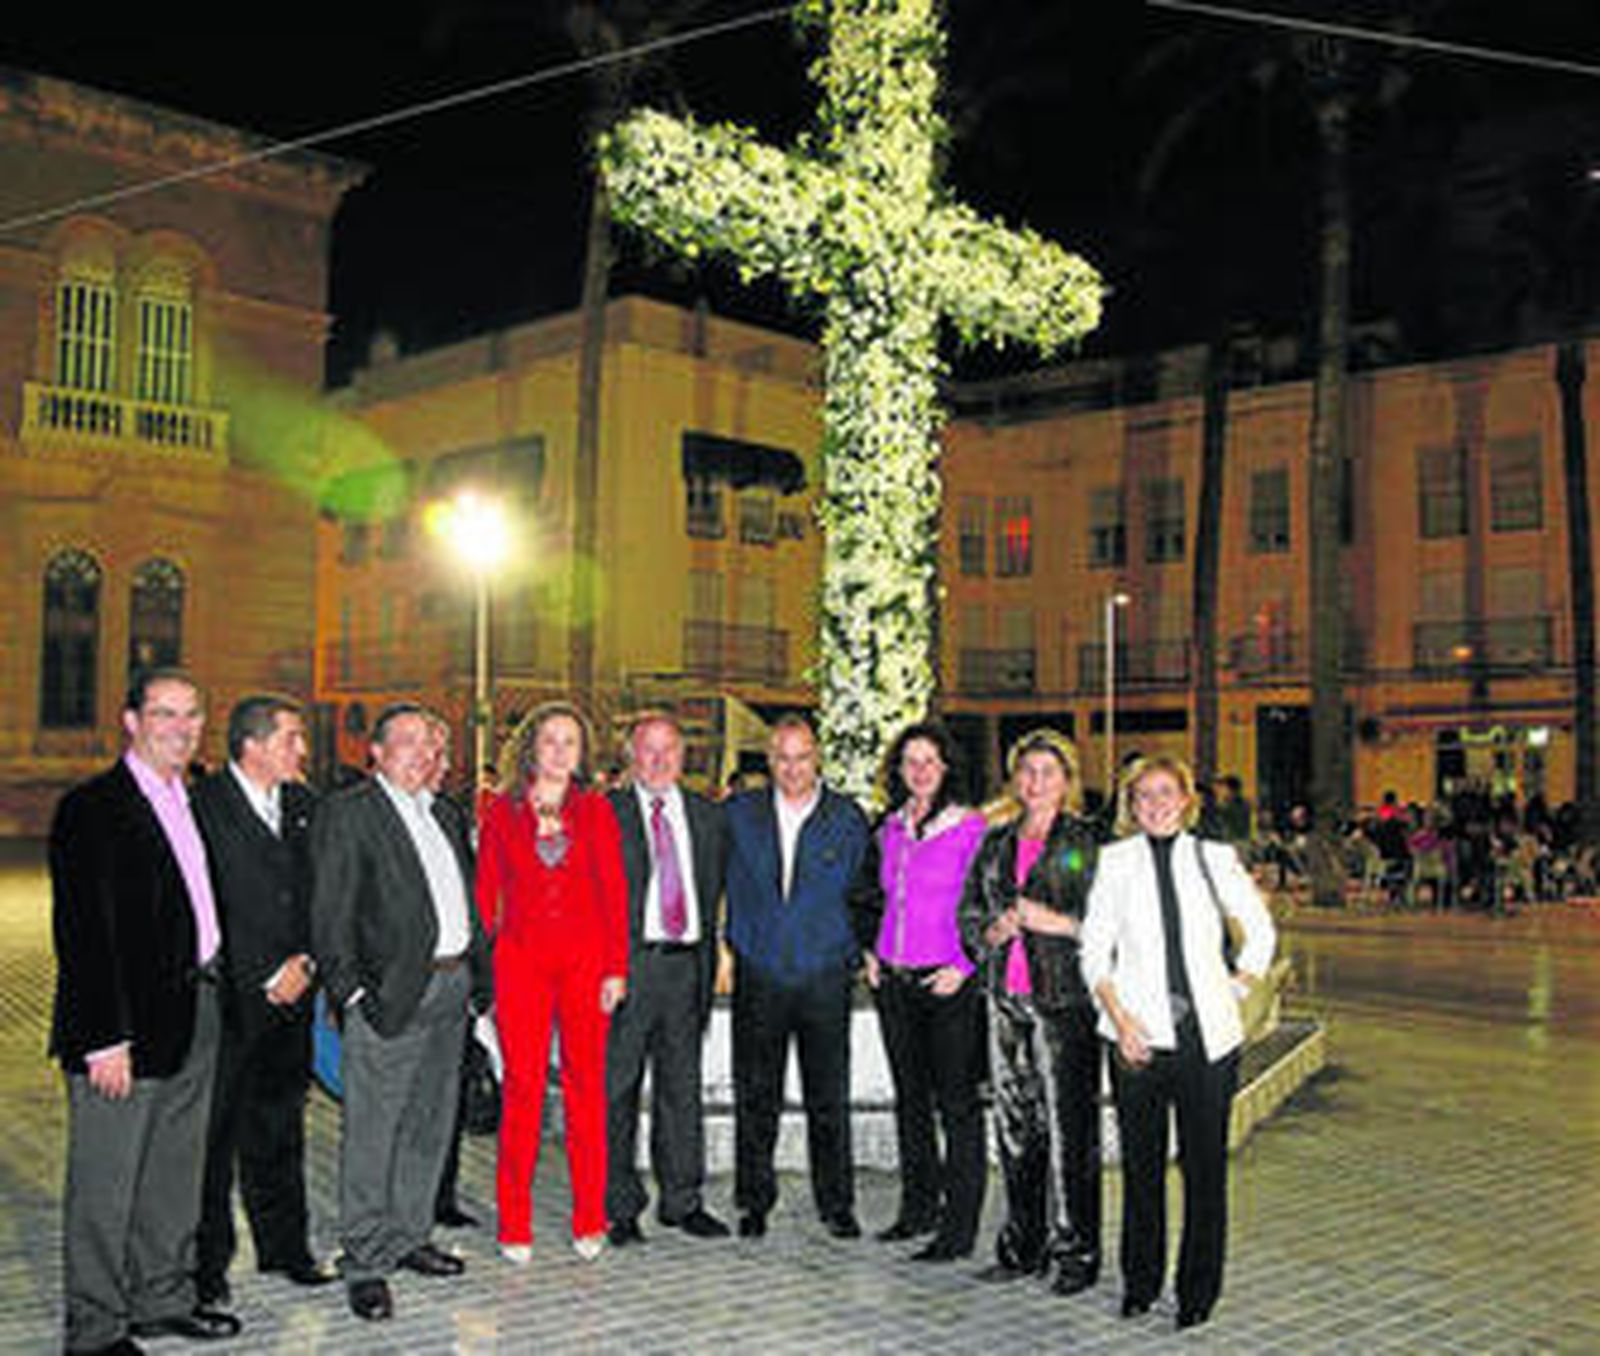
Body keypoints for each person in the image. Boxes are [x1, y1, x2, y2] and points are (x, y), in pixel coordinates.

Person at [49, 667, 243, 1352]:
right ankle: (96, 1328)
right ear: (131, 721)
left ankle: (160, 1296)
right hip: (122, 1029)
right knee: (107, 1183)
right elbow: (83, 935)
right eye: (164, 714)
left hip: (197, 1011)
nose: (181, 728)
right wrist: (104, 1037)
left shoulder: (188, 799)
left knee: (173, 1171)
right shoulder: (93, 807)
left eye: (192, 715)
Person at [1080, 754, 1277, 1332]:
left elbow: (1260, 928)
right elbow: (1094, 951)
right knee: (1141, 1169)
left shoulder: (1215, 858)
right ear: (1131, 806)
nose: (1157, 804)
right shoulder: (1113, 863)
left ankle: (1198, 1290)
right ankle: (1141, 1283)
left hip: (1206, 1040)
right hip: (1138, 1038)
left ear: (1187, 800)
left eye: (1167, 793)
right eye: (1144, 795)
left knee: (1204, 1169)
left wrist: (1237, 986)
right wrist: (1120, 1021)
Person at [311, 703, 493, 1323]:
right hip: (389, 998)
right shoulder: (351, 814)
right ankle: (365, 1261)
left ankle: (411, 1237)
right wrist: (352, 995)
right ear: (378, 754)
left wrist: (477, 984)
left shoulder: (443, 812)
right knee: (373, 1133)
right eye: (409, 743)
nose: (423, 755)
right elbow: (330, 915)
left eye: (432, 745)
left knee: (428, 1127)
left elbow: (466, 899)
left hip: (450, 990)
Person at [476, 701, 629, 1264]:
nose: (560, 752)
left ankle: (590, 1214)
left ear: (583, 752)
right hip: (520, 967)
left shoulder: (596, 810)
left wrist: (616, 967)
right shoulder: (501, 812)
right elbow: (485, 895)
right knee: (522, 1089)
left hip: (587, 968)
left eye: (571, 742)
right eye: (550, 741)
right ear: (531, 748)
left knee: (588, 1091)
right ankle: (514, 1219)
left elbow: (615, 893)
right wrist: (484, 972)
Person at [193, 695, 333, 1307]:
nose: (303, 750)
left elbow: (322, 895)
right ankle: (205, 1271)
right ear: (252, 745)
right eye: (291, 738)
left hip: (293, 997)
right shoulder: (204, 807)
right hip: (228, 1003)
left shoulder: (306, 806)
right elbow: (206, 905)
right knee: (213, 1142)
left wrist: (306, 962)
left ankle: (285, 1248)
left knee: (281, 1128)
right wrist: (262, 971)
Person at [957, 728, 1104, 1296]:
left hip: (1063, 1005)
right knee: (1014, 1129)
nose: (1035, 782)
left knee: (1070, 1135)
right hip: (1004, 1003)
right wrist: (988, 933)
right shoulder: (995, 843)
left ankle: (1076, 1253)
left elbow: (1109, 923)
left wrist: (1058, 924)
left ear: (1067, 780)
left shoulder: (1085, 841)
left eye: (1048, 772)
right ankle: (1022, 1246)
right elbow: (970, 912)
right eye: (1027, 771)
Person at [725, 714, 871, 1240]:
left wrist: (857, 952)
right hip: (760, 973)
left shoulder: (847, 818)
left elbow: (866, 895)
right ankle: (753, 1201)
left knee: (828, 1095)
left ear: (818, 759)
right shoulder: (740, 815)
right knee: (756, 1094)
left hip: (824, 977)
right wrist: (728, 946)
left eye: (802, 757)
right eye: (782, 758)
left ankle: (836, 1204)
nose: (792, 768)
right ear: (769, 761)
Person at [864, 722, 988, 1261]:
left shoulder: (970, 828)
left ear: (946, 768)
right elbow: (878, 898)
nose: (918, 771)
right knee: (910, 1103)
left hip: (947, 983)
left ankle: (957, 1228)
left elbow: (986, 904)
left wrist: (965, 963)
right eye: (909, 761)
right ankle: (917, 1209)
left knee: (957, 1107)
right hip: (895, 982)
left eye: (929, 761)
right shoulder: (888, 828)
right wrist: (871, 950)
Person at [605, 712, 730, 1245]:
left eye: (668, 750)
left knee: (682, 1088)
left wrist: (722, 952)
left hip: (687, 968)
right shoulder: (604, 814)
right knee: (618, 1089)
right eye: (647, 750)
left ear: (684, 756)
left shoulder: (708, 817)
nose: (658, 760)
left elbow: (719, 889)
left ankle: (682, 1200)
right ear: (632, 756)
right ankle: (620, 1205)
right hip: (627, 969)